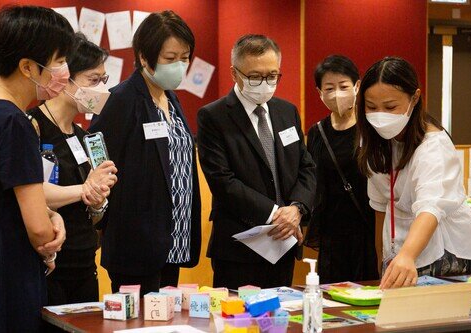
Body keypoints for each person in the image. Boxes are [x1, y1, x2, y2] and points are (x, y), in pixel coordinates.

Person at [90, 10, 201, 296]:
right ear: (144, 57)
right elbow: (98, 161)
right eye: (170, 58)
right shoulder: (122, 99)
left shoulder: (171, 98)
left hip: (173, 240)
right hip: (136, 244)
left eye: (185, 57)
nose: (179, 65)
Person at [197, 34, 315, 290]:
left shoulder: (287, 112)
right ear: (234, 73)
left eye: (272, 76)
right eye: (254, 76)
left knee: (280, 324)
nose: (264, 83)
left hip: (284, 242)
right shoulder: (213, 117)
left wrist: (296, 209)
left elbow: (305, 167)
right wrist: (276, 214)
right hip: (238, 249)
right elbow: (222, 181)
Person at [0, 5, 72, 331]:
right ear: (28, 67)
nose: (64, 70)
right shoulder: (13, 122)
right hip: (9, 270)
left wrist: (50, 214)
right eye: (59, 61)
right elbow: (37, 228)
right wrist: (51, 233)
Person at [356, 56, 471, 289]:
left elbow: (429, 208)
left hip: (448, 254)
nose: (380, 115)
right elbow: (380, 208)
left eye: (391, 107)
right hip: (402, 251)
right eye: (371, 107)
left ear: (415, 98)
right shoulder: (375, 141)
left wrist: (406, 255)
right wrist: (382, 258)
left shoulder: (433, 145)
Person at [27, 33, 118, 305]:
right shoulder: (33, 125)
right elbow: (31, 192)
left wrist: (98, 201)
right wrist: (83, 189)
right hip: (49, 262)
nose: (101, 89)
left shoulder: (85, 136)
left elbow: (95, 215)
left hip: (85, 260)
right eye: (93, 80)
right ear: (67, 79)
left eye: (104, 80)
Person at [305, 55, 378, 283]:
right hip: (332, 233)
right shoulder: (317, 132)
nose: (337, 93)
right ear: (320, 93)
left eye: (343, 86)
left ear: (357, 86)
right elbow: (312, 180)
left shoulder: (372, 127)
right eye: (329, 88)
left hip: (368, 228)